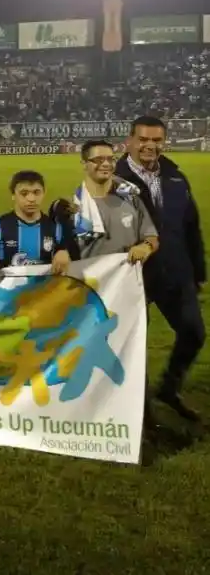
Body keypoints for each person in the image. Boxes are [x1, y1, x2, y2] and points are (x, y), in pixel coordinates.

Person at [55, 139, 160, 431]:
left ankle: (142, 419)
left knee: (134, 354)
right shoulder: (70, 210)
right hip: (89, 301)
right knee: (87, 357)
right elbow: (54, 251)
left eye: (110, 159)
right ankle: (88, 419)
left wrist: (146, 248)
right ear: (84, 164)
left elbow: (152, 238)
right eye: (97, 159)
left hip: (129, 296)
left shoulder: (131, 200)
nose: (105, 164)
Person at [115, 116, 206, 421]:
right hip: (133, 276)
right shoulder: (112, 178)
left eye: (156, 140)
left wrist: (198, 271)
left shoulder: (175, 176)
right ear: (129, 141)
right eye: (143, 139)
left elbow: (191, 226)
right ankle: (141, 412)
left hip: (175, 271)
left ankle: (169, 387)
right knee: (132, 345)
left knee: (193, 333)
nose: (149, 146)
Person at [0, 170, 77, 275]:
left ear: (44, 193)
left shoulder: (55, 227)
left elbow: (66, 253)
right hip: (8, 289)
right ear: (13, 195)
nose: (31, 199)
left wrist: (63, 253)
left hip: (45, 288)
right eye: (24, 193)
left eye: (36, 192)